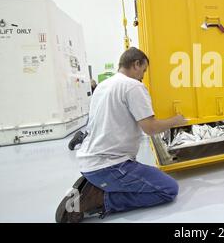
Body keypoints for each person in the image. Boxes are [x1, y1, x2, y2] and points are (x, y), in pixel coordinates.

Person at [56, 47, 187, 223]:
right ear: (136, 64)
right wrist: (175, 121)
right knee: (168, 189)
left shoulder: (103, 86)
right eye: (144, 70)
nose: (143, 75)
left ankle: (96, 186)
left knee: (152, 174)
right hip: (110, 165)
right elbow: (150, 127)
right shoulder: (133, 86)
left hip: (89, 162)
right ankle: (101, 199)